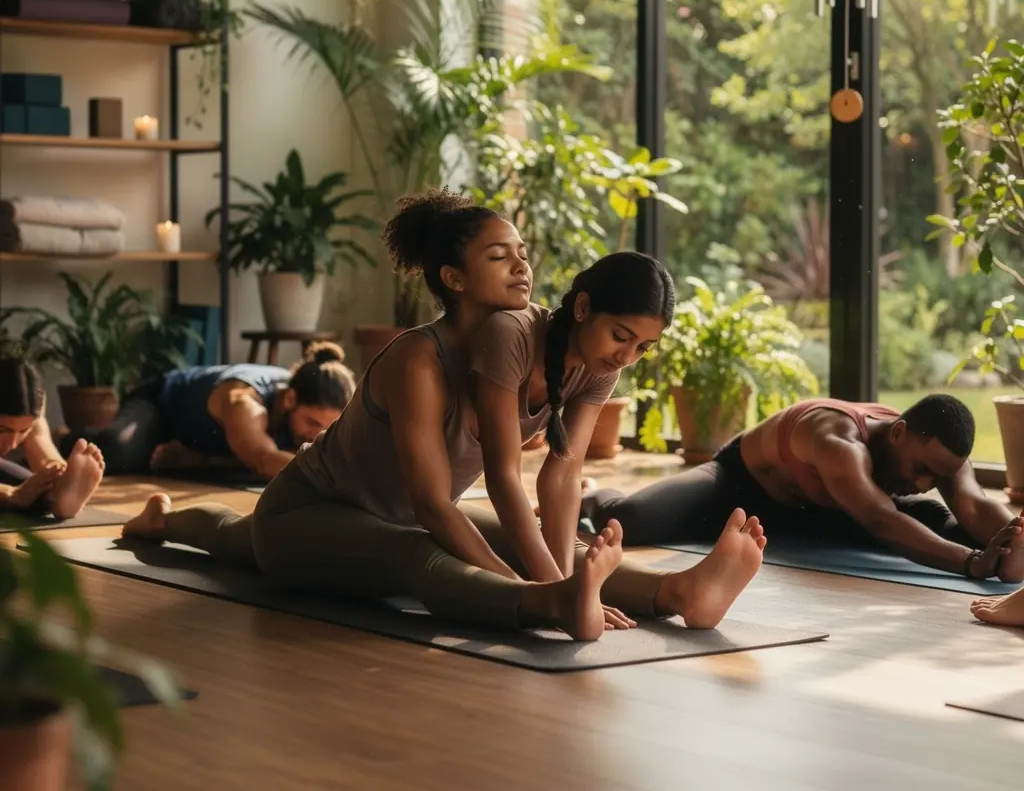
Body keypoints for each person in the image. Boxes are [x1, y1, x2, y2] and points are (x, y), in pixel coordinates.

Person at [121, 191, 765, 640]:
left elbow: (557, 480)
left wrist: (550, 563)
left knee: (539, 543)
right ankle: (546, 605)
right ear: (454, 279)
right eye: (498, 255)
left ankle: (677, 593)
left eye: (521, 252)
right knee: (407, 555)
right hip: (311, 515)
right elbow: (433, 503)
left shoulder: (544, 347)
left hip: (386, 517)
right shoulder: (418, 361)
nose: (521, 264)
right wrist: (540, 586)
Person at [467, 251, 765, 629]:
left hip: (442, 505)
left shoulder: (599, 367)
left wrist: (569, 588)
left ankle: (680, 591)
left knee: (562, 550)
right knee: (463, 556)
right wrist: (560, 592)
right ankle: (570, 596)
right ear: (583, 307)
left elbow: (562, 476)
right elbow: (503, 476)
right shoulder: (512, 334)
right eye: (620, 336)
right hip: (408, 513)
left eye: (642, 347)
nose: (626, 356)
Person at [581, 395, 1024, 582]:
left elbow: (975, 504)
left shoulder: (936, 451)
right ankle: (590, 491)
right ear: (898, 433)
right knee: (629, 520)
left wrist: (1013, 536)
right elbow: (880, 520)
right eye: (921, 470)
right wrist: (970, 563)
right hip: (741, 490)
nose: (925, 484)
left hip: (828, 511)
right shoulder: (837, 441)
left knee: (952, 526)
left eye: (937, 477)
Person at [65, 344, 355, 480]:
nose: (316, 435)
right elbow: (264, 462)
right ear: (290, 399)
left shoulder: (301, 412)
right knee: (119, 454)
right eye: (312, 422)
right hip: (161, 404)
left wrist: (199, 458)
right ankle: (64, 440)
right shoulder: (246, 402)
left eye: (326, 428)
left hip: (198, 440)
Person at [0, 356, 105, 518]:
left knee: (33, 488)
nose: (12, 444)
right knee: (20, 493)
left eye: (24, 430)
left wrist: (60, 476)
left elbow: (43, 453)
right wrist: (9, 494)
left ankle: (57, 497)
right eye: (2, 429)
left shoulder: (32, 406)